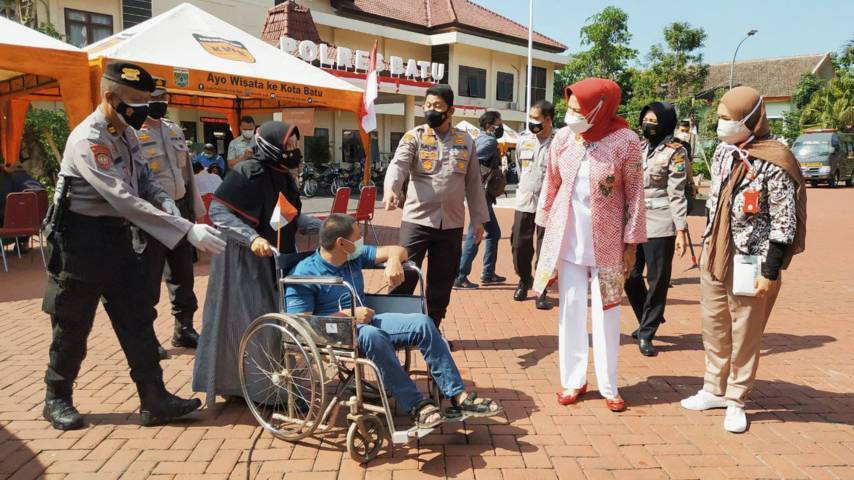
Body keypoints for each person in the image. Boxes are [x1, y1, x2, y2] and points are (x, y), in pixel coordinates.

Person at [41, 62, 226, 431]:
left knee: (137, 318)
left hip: (116, 239)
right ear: (111, 98)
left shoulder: (124, 133)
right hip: (79, 242)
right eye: (137, 102)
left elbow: (145, 180)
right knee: (72, 325)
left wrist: (168, 201)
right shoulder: (89, 139)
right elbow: (123, 197)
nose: (145, 110)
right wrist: (185, 228)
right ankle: (56, 397)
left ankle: (154, 398)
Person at [285, 214, 504, 427]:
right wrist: (348, 316)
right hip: (335, 332)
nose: (361, 242)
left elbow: (398, 250)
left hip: (367, 321)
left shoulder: (352, 256)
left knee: (422, 323)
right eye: (357, 237)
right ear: (342, 243)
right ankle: (417, 406)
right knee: (372, 335)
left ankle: (459, 397)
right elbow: (303, 324)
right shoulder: (303, 274)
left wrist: (392, 261)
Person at [681, 87, 806, 433]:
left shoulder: (775, 158)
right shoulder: (723, 152)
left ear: (750, 120)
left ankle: (736, 399)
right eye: (719, 117)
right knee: (714, 323)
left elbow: (785, 218)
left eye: (727, 118)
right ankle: (713, 388)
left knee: (745, 330)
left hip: (752, 257)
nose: (720, 124)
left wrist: (772, 268)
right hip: (716, 252)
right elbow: (714, 201)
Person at [534, 78, 646, 413]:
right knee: (570, 309)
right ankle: (573, 380)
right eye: (568, 109)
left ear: (599, 109)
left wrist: (632, 245)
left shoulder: (625, 142)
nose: (571, 117)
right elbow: (551, 185)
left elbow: (635, 196)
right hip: (568, 238)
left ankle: (609, 384)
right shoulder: (564, 139)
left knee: (608, 310)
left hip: (609, 242)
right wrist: (543, 228)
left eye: (577, 111)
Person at [193, 120, 303, 406]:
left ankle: (259, 382)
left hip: (273, 256)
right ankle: (260, 387)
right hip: (242, 258)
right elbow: (218, 211)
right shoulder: (247, 171)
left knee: (270, 316)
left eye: (294, 144)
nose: (293, 149)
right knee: (254, 316)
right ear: (273, 145)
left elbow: (287, 214)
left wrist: (322, 226)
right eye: (288, 144)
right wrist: (251, 237)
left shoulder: (283, 176)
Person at [382, 84, 488, 329]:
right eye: (427, 106)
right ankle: (393, 329)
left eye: (437, 107)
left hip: (451, 224)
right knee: (404, 276)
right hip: (416, 221)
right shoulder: (415, 136)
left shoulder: (466, 142)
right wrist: (391, 189)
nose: (431, 110)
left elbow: (473, 183)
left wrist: (479, 219)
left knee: (441, 282)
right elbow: (398, 165)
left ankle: (432, 330)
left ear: (451, 110)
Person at [136, 77, 207, 357]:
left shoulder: (174, 130)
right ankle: (147, 336)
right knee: (148, 278)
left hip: (180, 212)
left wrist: (195, 211)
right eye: (155, 99)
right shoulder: (133, 133)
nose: (160, 104)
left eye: (164, 100)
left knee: (183, 275)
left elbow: (187, 173)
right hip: (150, 216)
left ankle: (184, 328)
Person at [624, 102, 689, 357]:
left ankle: (647, 332)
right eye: (645, 119)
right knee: (630, 274)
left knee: (657, 278)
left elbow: (677, 193)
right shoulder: (637, 148)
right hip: (636, 218)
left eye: (654, 120)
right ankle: (647, 318)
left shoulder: (676, 152)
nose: (648, 124)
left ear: (664, 123)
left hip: (661, 220)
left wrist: (681, 229)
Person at [454, 110, 506, 289]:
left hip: (484, 195)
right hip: (482, 195)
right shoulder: (489, 141)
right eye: (498, 123)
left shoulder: (481, 138)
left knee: (493, 233)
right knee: (476, 233)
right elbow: (473, 161)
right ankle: (460, 275)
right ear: (489, 125)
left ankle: (488, 273)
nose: (501, 127)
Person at [511, 100, 555, 309]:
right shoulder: (523, 140)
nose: (532, 123)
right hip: (525, 200)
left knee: (546, 249)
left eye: (536, 119)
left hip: (550, 204)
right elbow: (520, 167)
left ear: (548, 120)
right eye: (531, 118)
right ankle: (524, 279)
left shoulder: (559, 142)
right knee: (519, 245)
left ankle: (541, 289)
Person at [0, 163, 45, 252]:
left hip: (9, 227)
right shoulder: (36, 183)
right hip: (34, 224)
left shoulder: (6, 182)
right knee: (23, 212)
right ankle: (22, 243)